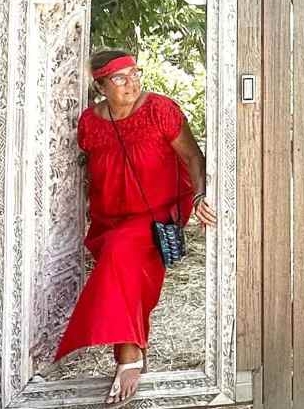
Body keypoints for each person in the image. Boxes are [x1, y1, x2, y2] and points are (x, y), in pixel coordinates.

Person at [53, 49, 217, 407]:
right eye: (120, 78)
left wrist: (200, 196)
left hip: (155, 215)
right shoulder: (90, 123)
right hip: (108, 220)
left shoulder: (161, 110)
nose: (132, 83)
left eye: (135, 73)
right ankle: (139, 348)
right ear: (100, 86)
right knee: (128, 283)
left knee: (118, 262)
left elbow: (192, 156)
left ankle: (127, 359)